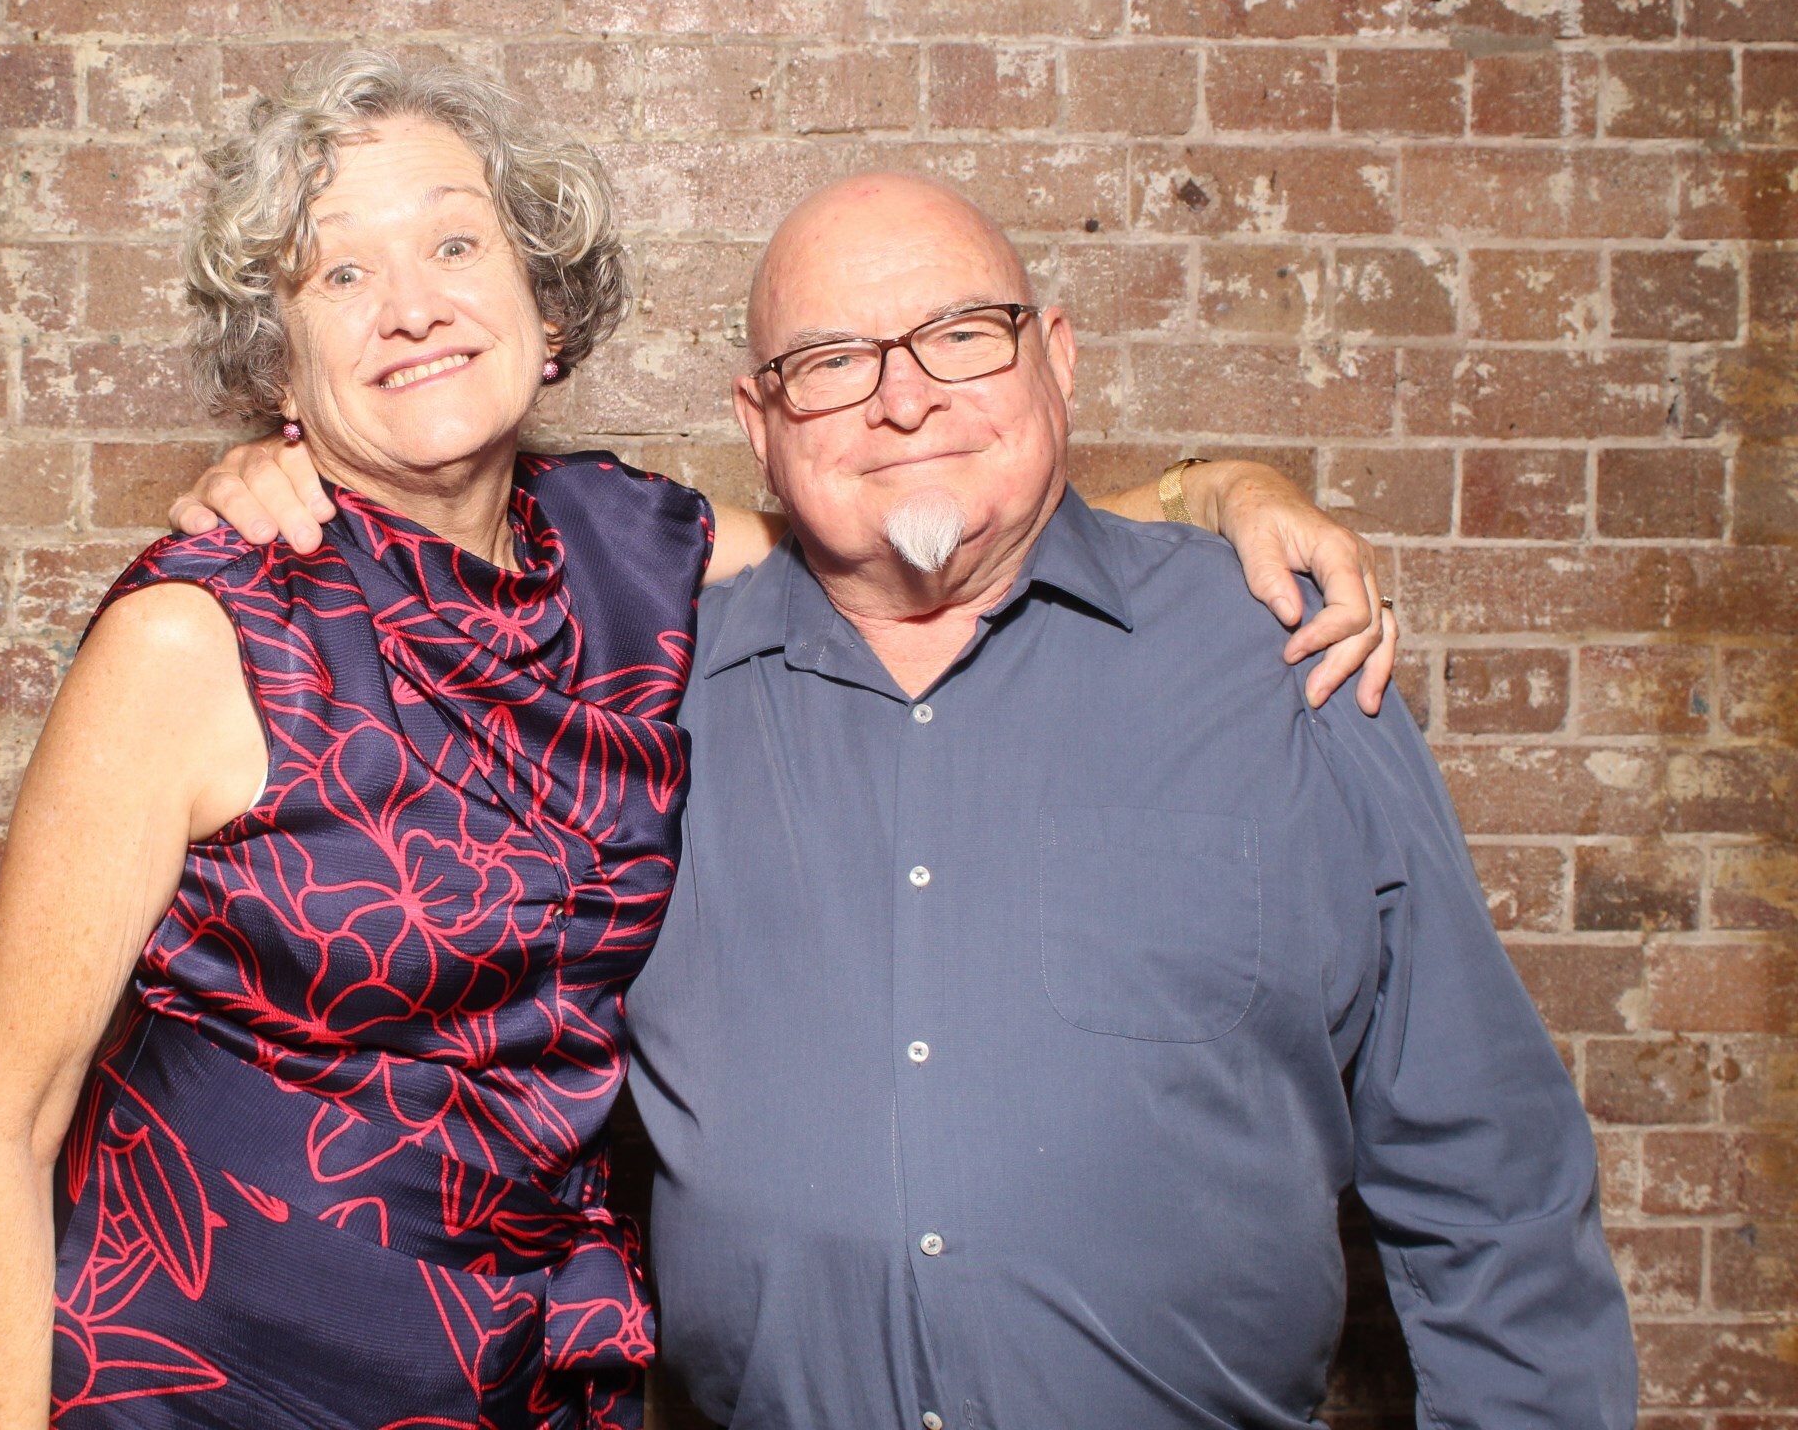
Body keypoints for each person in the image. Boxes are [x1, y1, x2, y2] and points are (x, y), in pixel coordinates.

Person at [0, 51, 1393, 1430]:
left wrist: (1218, 490)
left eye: (455, 243)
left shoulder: (624, 553)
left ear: (544, 304)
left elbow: (903, 518)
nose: (412, 306)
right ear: (279, 359)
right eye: (341, 273)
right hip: (217, 1377)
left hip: (536, 1369)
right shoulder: (199, 636)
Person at [623, 173, 1634, 1428]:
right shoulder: (650, 704)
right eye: (832, 361)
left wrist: (1221, 483)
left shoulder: (1278, 658)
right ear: (759, 423)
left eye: (961, 335)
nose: (904, 397)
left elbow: (1490, 1176)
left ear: (1057, 358)